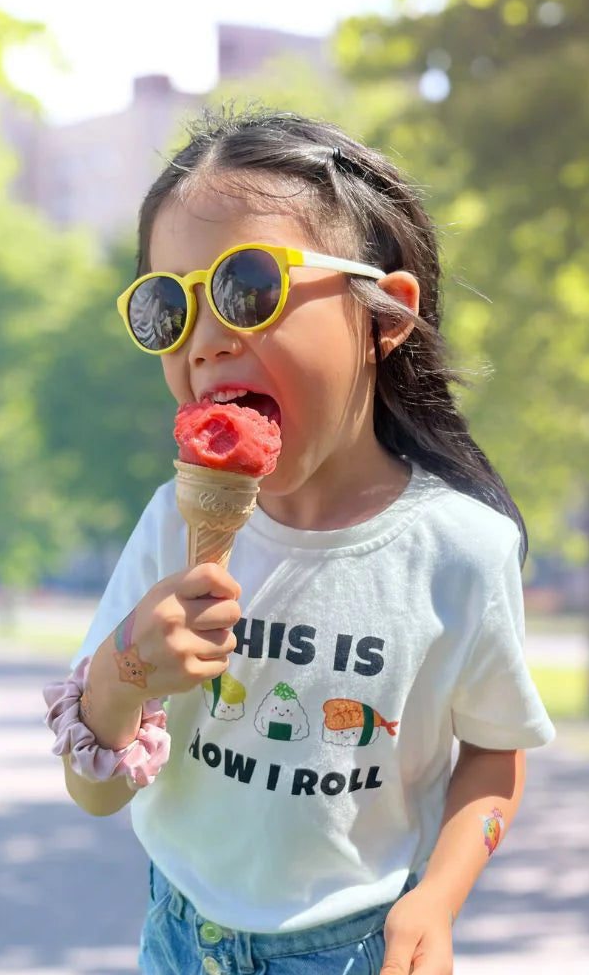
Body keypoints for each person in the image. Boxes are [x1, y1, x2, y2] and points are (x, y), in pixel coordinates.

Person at [45, 108, 555, 975]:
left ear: (384, 317)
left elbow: (494, 751)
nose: (206, 341)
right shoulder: (174, 522)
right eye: (168, 307)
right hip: (180, 937)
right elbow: (94, 792)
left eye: (249, 288)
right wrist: (126, 670)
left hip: (351, 950)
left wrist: (437, 901)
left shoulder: (462, 550)